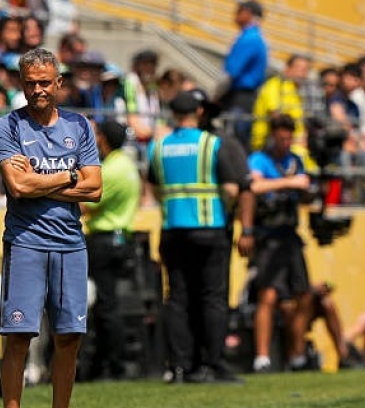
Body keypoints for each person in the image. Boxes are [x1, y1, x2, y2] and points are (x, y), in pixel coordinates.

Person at [0, 48, 102, 408]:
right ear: (22, 84)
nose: (38, 89)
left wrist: (41, 178)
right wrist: (69, 174)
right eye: (31, 83)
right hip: (26, 241)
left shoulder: (80, 125)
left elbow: (95, 188)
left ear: (59, 83)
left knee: (69, 337)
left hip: (71, 242)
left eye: (45, 82)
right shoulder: (7, 126)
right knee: (19, 336)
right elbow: (16, 188)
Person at [147, 91, 252, 384]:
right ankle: (212, 364)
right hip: (210, 227)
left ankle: (180, 366)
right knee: (213, 297)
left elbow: (154, 189)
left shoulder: (158, 147)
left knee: (177, 298)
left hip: (172, 229)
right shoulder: (211, 144)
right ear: (199, 112)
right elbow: (232, 190)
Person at [248, 114, 313, 372]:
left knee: (303, 295)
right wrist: (289, 182)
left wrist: (307, 189)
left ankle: (297, 354)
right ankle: (262, 357)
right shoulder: (259, 159)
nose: (285, 142)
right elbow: (254, 186)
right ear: (272, 135)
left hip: (290, 235)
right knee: (269, 295)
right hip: (268, 235)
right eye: (281, 137)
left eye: (289, 138)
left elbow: (306, 194)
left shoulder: (296, 161)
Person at [78, 119, 141, 381]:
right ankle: (109, 363)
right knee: (108, 303)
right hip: (120, 238)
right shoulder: (126, 165)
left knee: (105, 306)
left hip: (104, 239)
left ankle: (111, 365)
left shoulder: (111, 170)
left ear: (103, 139)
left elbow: (85, 205)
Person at [214, 0, 268, 151]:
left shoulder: (249, 38)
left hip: (240, 99)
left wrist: (215, 96)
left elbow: (231, 73)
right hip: (244, 98)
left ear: (249, 13)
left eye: (239, 11)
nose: (235, 14)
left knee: (234, 141)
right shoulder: (254, 37)